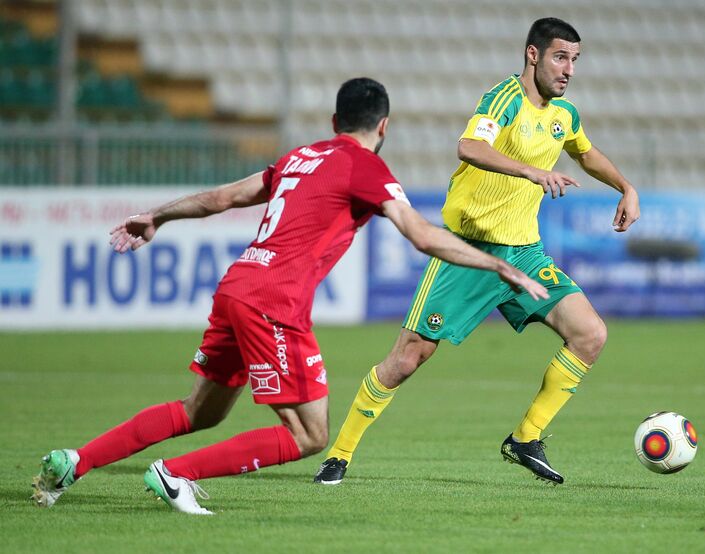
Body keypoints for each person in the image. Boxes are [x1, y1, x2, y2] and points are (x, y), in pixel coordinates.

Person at [30, 77, 548, 515]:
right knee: (309, 435)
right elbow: (421, 234)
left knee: (200, 412)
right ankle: (174, 474)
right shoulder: (365, 168)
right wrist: (498, 263)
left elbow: (224, 197)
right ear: (383, 127)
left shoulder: (300, 157)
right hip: (273, 302)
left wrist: (158, 215)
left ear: (333, 120)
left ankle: (75, 462)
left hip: (237, 287)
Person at [315, 18, 640, 486]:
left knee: (590, 334)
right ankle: (339, 455)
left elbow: (584, 153)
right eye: (560, 57)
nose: (568, 69)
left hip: (524, 254)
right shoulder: (503, 99)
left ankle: (526, 439)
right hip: (466, 250)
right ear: (533, 55)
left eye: (574, 59)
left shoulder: (564, 114)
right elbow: (468, 146)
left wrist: (625, 187)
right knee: (408, 358)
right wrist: (529, 171)